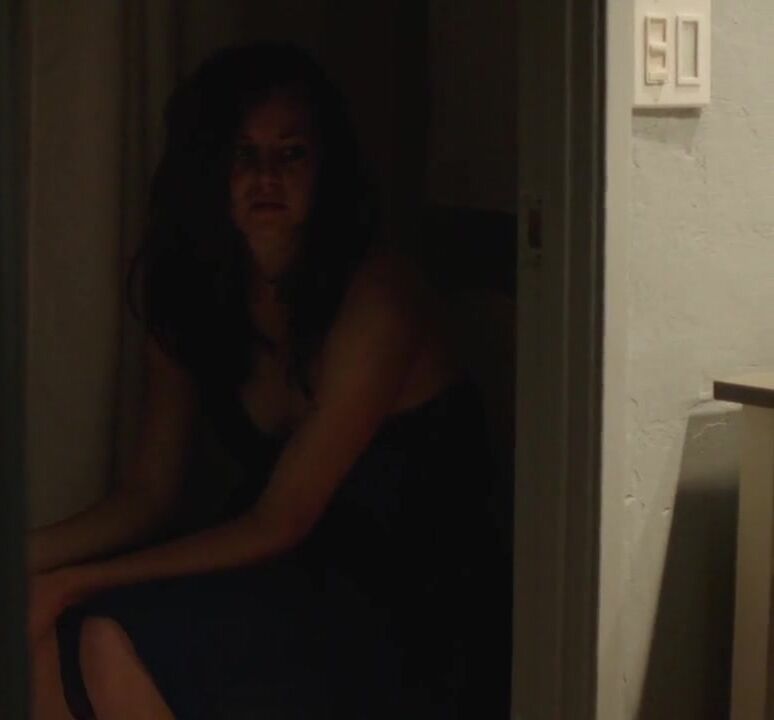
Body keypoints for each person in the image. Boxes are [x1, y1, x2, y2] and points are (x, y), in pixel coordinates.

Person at [27, 42, 511, 719]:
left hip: (405, 596)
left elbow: (280, 520)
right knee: (49, 637)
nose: (266, 177)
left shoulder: (377, 300)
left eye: (291, 154)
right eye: (242, 154)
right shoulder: (194, 291)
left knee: (103, 635)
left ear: (326, 167)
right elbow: (148, 492)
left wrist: (75, 581)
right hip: (289, 571)